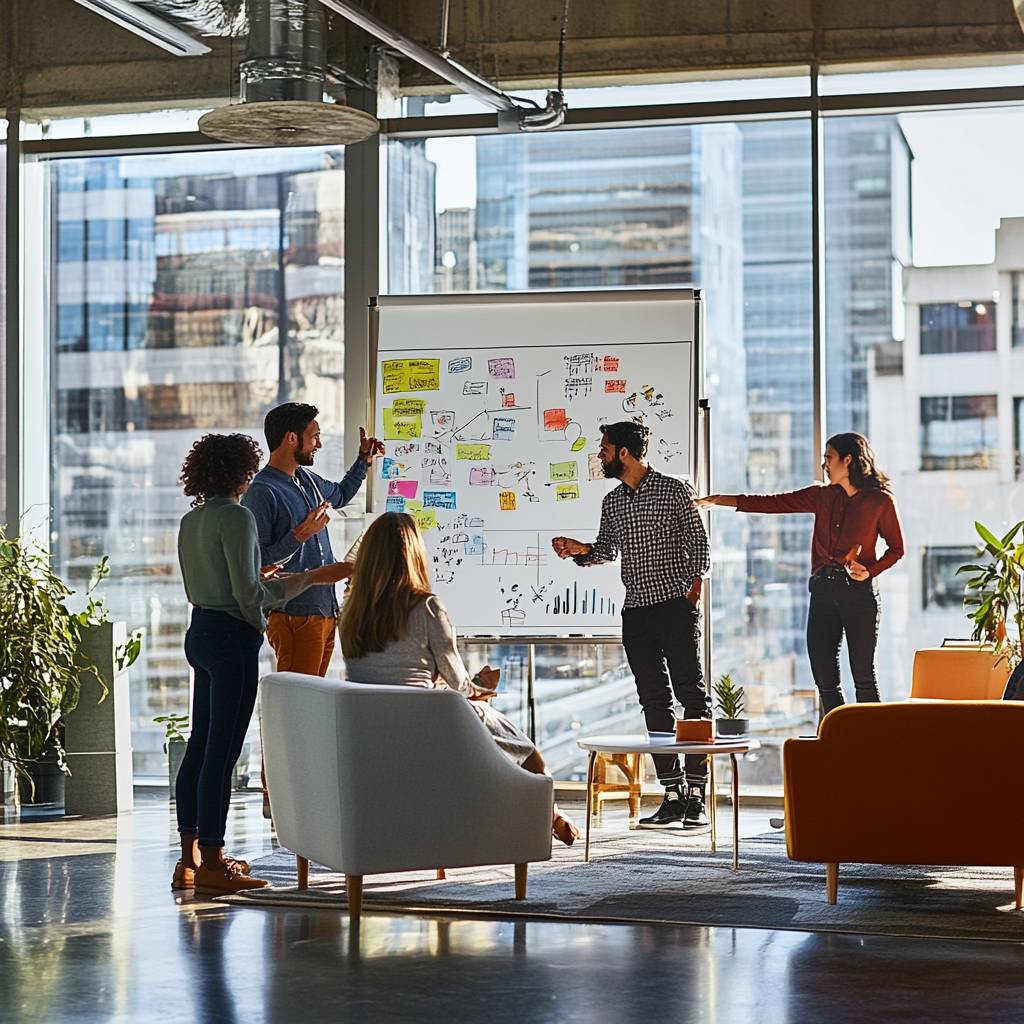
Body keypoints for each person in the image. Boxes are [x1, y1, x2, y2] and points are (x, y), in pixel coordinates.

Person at [175, 432, 352, 896]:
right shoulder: (236, 517)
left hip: (200, 632)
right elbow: (249, 597)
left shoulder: (192, 520)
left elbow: (225, 579)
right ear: (242, 471)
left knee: (199, 747)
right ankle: (215, 862)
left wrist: (267, 577)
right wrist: (307, 579)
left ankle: (189, 859)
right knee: (223, 752)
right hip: (232, 638)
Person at [339, 512, 579, 847]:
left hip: (370, 731)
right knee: (530, 756)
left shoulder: (351, 610)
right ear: (414, 554)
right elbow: (457, 682)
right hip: (430, 725)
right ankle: (550, 816)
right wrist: (478, 688)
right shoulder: (426, 607)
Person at [552, 421, 712, 830]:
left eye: (604, 448)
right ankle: (672, 794)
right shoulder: (613, 503)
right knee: (653, 701)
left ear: (624, 452)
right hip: (636, 612)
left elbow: (701, 547)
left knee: (692, 696)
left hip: (675, 608)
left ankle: (698, 796)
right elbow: (606, 551)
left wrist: (690, 594)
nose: (600, 454)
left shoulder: (675, 490)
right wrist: (579, 550)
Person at [698, 432, 904, 716]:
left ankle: (874, 750)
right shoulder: (821, 496)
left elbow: (897, 549)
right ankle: (838, 740)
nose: (825, 465)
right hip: (823, 592)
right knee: (824, 677)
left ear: (848, 460)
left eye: (829, 458)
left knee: (863, 678)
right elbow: (773, 502)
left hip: (859, 596)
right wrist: (720, 500)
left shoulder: (879, 502)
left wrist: (869, 571)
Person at [242, 402, 384, 678]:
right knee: (300, 706)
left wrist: (363, 460)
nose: (318, 444)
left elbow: (341, 495)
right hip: (294, 613)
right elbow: (258, 564)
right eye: (315, 436)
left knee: (314, 701)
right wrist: (301, 535)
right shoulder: (262, 492)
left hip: (324, 610)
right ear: (291, 438)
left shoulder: (305, 479)